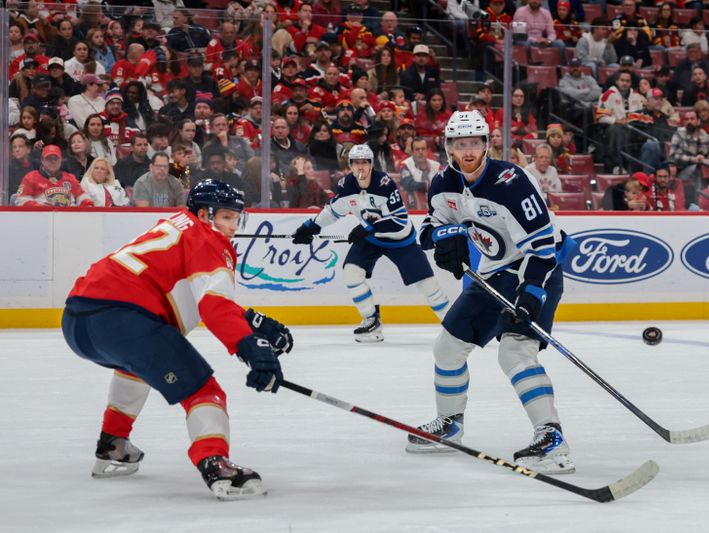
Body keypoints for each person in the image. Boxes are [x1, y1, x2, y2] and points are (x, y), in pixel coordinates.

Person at [61, 179, 292, 500]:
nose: (233, 227)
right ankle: (215, 464)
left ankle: (113, 443)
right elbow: (213, 304)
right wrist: (251, 347)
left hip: (77, 320)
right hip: (125, 319)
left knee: (137, 367)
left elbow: (190, 289)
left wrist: (252, 320)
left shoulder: (176, 225)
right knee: (203, 390)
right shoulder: (209, 240)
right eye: (226, 217)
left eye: (236, 218)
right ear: (204, 214)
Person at [406, 110, 574, 475]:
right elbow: (428, 230)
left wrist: (531, 296)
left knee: (515, 351)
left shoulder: (512, 183)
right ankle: (450, 424)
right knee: (447, 347)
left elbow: (544, 250)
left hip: (536, 270)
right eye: (459, 144)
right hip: (493, 274)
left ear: (487, 145)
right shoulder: (443, 183)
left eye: (474, 144)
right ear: (449, 147)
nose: (467, 151)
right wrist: (441, 239)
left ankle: (552, 437)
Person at [291, 144, 450, 342]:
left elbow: (399, 221)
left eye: (364, 163)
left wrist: (367, 229)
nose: (360, 167)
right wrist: (311, 227)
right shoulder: (346, 185)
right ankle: (371, 321)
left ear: (371, 165)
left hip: (399, 239)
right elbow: (334, 211)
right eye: (356, 163)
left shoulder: (384, 184)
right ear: (350, 165)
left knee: (428, 285)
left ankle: (454, 327)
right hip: (372, 239)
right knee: (351, 272)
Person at [15, 144, 94, 207]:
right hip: (42, 220)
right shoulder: (31, 177)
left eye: (55, 158)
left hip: (68, 219)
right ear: (42, 160)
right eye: (49, 158)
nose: (53, 161)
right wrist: (40, 208)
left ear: (61, 160)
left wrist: (87, 204)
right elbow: (21, 200)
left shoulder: (70, 178)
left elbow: (82, 196)